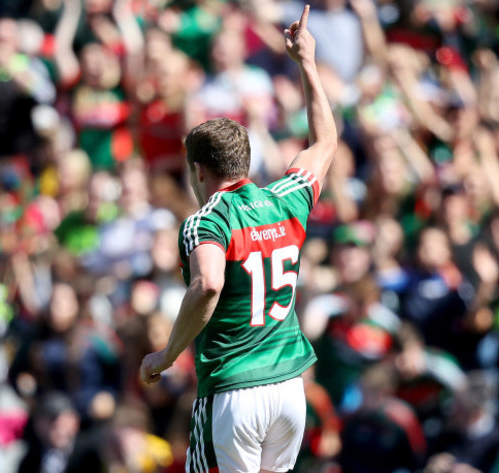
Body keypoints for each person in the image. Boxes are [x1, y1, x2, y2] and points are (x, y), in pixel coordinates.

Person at [140, 4, 338, 472]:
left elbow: (208, 284)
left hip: (234, 392)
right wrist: (306, 62)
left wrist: (167, 355)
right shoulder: (285, 198)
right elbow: (325, 142)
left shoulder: (206, 221)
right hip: (290, 389)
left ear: (199, 170)